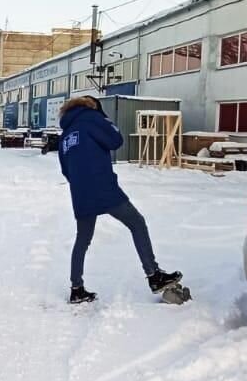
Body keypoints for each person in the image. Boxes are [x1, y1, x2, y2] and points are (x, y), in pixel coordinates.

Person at [57, 96, 181, 304]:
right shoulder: (93, 118)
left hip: (80, 192)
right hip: (103, 187)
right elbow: (116, 140)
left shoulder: (65, 135)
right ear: (94, 107)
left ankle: (76, 288)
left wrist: (81, 184)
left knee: (82, 240)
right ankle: (154, 276)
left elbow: (65, 170)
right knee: (137, 224)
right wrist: (103, 119)